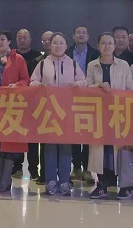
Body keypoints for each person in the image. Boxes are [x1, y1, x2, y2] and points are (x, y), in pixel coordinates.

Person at [30, 32, 86, 196]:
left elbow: (84, 81)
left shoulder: (73, 64)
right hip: (47, 111)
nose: (58, 46)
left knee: (66, 148)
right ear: (50, 45)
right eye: (55, 43)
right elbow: (32, 81)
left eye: (61, 43)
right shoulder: (42, 64)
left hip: (67, 112)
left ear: (66, 46)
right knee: (49, 148)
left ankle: (64, 182)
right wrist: (37, 84)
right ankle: (50, 181)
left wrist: (78, 83)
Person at [87, 32, 133, 200]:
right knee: (101, 150)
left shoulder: (124, 65)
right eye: (103, 43)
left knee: (119, 149)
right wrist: (98, 86)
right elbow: (86, 88)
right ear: (98, 46)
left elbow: (129, 90)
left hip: (119, 113)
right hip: (99, 113)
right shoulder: (92, 65)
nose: (106, 46)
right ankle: (102, 184)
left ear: (114, 46)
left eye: (110, 43)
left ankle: (125, 185)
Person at [0, 30, 29, 192]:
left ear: (9, 42)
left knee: (9, 144)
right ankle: (1, 179)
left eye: (3, 39)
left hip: (12, 106)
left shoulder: (18, 59)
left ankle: (6, 179)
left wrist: (16, 86)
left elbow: (26, 79)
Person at [67, 25, 99, 183]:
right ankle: (76, 167)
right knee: (73, 134)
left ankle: (87, 169)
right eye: (78, 32)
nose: (81, 35)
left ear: (88, 36)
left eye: (84, 33)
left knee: (87, 134)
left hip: (90, 98)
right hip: (70, 98)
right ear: (73, 36)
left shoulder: (96, 54)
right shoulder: (67, 53)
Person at [13, 29, 41, 179]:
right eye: (20, 38)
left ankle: (33, 169)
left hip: (34, 103)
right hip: (15, 102)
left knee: (32, 139)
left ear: (30, 39)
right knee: (17, 136)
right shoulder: (12, 56)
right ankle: (17, 167)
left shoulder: (38, 56)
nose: (22, 40)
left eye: (25, 37)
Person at [29, 30, 53, 185]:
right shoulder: (37, 61)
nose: (48, 43)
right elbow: (30, 82)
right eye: (44, 40)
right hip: (38, 107)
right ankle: (38, 173)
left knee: (54, 143)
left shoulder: (68, 62)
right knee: (38, 141)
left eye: (50, 40)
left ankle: (55, 174)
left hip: (58, 108)